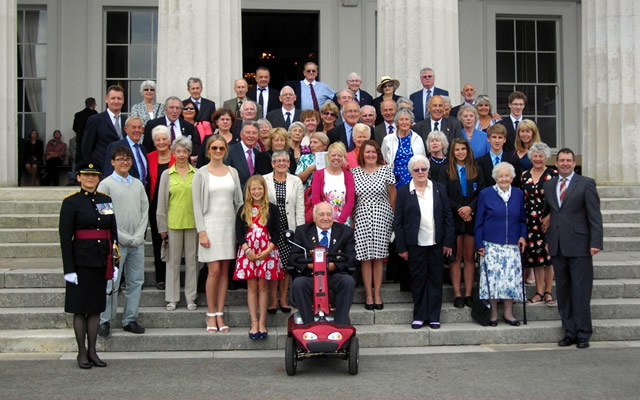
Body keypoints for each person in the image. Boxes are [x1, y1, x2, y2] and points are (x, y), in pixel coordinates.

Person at [59, 160, 118, 369]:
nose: (90, 178)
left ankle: (93, 350)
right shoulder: (71, 202)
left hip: (101, 260)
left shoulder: (105, 200)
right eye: (86, 175)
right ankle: (81, 352)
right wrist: (69, 269)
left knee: (95, 308)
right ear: (79, 178)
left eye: (94, 176)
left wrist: (115, 261)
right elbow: (65, 238)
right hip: (80, 262)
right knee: (79, 309)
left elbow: (113, 233)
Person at [543, 148, 603, 349]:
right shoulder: (549, 185)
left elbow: (594, 215)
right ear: (556, 163)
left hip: (580, 246)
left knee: (581, 291)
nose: (565, 163)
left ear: (574, 163)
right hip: (558, 246)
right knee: (564, 291)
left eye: (569, 160)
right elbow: (548, 214)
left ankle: (583, 333)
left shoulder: (586, 184)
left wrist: (596, 242)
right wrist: (547, 239)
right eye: (561, 160)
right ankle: (569, 331)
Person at [394, 155, 454, 329]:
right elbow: (399, 221)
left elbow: (447, 217)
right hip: (415, 244)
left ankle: (434, 316)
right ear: (411, 172)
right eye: (416, 169)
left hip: (436, 243)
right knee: (418, 280)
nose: (420, 172)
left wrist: (448, 242)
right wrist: (402, 247)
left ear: (428, 170)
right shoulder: (404, 191)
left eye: (423, 169)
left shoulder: (439, 189)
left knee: (435, 280)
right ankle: (419, 315)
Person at [192, 135, 243, 333]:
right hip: (210, 225)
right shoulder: (201, 173)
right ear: (208, 150)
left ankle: (220, 313)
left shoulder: (233, 172)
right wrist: (201, 232)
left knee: (223, 272)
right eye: (214, 148)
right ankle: (210, 314)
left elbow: (238, 202)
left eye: (221, 148)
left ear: (226, 150)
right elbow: (196, 204)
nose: (218, 151)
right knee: (213, 271)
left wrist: (240, 229)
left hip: (228, 226)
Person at [97, 146, 149, 337]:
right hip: (116, 243)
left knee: (136, 281)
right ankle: (105, 320)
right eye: (120, 159)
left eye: (127, 159)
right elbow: (104, 214)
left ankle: (130, 319)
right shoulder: (105, 185)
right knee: (112, 283)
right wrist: (123, 236)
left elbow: (145, 210)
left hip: (137, 242)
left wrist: (139, 235)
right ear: (112, 162)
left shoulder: (137, 184)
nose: (124, 162)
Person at [475, 162, 527, 327]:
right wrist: (479, 243)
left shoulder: (518, 194)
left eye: (507, 176)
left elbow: (523, 220)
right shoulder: (486, 194)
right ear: (495, 178)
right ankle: (493, 314)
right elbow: (479, 221)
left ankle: (509, 313)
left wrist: (522, 237)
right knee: (494, 280)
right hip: (491, 245)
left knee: (509, 281)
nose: (504, 179)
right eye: (500, 176)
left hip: (512, 245)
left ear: (512, 178)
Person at [290, 202, 356, 326]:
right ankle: (309, 325)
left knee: (348, 282)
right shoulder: (302, 231)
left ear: (333, 216)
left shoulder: (345, 232)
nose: (325, 218)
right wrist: (310, 265)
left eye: (329, 214)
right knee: (299, 284)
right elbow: (294, 257)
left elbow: (352, 257)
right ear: (314, 217)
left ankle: (340, 325)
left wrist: (334, 266)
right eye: (321, 214)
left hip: (334, 275)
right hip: (310, 275)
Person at [234, 175, 283, 339]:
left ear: (264, 190)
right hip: (249, 253)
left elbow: (277, 232)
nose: (256, 192)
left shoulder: (272, 209)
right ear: (248, 191)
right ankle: (253, 321)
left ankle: (262, 322)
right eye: (253, 189)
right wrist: (247, 250)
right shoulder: (243, 209)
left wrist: (268, 250)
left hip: (266, 252)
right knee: (252, 288)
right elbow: (239, 233)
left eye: (259, 188)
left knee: (263, 287)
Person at [351, 140, 396, 310]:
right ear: (361, 154)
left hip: (382, 216)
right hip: (361, 216)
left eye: (373, 152)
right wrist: (353, 220)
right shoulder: (354, 172)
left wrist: (391, 217)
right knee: (364, 257)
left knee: (378, 257)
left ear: (378, 154)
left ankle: (377, 293)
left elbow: (393, 195)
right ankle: (368, 295)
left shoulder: (386, 170)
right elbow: (352, 199)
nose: (370, 155)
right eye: (367, 152)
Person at [156, 137, 198, 311]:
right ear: (173, 153)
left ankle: (190, 297)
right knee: (172, 262)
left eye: (185, 151)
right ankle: (172, 298)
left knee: (192, 262)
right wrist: (162, 227)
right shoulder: (167, 174)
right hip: (173, 223)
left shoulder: (197, 173)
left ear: (189, 154)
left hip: (193, 224)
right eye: (178, 151)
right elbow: (161, 202)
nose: (181, 155)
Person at [445, 138, 485, 308]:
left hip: (471, 217)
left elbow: (482, 192)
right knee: (456, 257)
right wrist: (460, 209)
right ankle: (457, 294)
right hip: (454, 218)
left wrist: (470, 208)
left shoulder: (476, 169)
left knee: (469, 257)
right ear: (452, 152)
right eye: (457, 149)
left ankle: (468, 293)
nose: (460, 152)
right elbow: (443, 194)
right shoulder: (446, 170)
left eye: (463, 149)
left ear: (468, 151)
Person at [264, 150, 305, 314]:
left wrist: (300, 231)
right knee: (273, 264)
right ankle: (272, 300)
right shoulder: (265, 180)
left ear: (289, 163)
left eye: (284, 161)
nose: (281, 163)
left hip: (290, 228)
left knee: (287, 266)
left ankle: (283, 299)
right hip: (271, 228)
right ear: (272, 163)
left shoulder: (296, 181)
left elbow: (299, 207)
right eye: (277, 160)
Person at [521, 142, 557, 306]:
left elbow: (558, 200)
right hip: (530, 221)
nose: (537, 159)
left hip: (547, 221)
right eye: (535, 156)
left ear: (545, 157)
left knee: (548, 258)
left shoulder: (553, 175)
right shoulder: (524, 175)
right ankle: (538, 291)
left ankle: (548, 292)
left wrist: (549, 217)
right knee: (536, 257)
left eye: (540, 156)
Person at [147, 125, 176, 291]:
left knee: (173, 241)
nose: (161, 142)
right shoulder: (148, 157)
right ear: (154, 142)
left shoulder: (176, 157)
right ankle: (161, 277)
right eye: (158, 139)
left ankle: (172, 276)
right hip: (154, 205)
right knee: (158, 240)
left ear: (169, 140)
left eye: (164, 139)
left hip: (173, 204)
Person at [81, 85, 126, 168]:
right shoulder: (95, 120)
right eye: (113, 98)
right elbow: (87, 147)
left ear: (123, 100)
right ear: (106, 99)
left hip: (123, 168)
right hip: (102, 167)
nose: (116, 101)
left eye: (119, 98)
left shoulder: (126, 121)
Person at [312, 142, 355, 225]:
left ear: (344, 158)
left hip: (343, 221)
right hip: (323, 220)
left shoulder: (348, 175)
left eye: (340, 155)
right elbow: (315, 200)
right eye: (333, 155)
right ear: (328, 157)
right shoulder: (319, 174)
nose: (336, 158)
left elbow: (350, 201)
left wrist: (340, 220)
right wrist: (327, 218)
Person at [381, 108, 426, 188]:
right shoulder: (388, 139)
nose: (404, 122)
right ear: (397, 122)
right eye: (401, 119)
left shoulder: (417, 139)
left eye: (407, 119)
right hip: (394, 179)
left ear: (411, 122)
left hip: (414, 179)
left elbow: (423, 160)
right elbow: (383, 159)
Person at [102, 116, 148, 185]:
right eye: (133, 127)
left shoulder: (143, 149)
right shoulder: (115, 147)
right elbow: (109, 172)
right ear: (126, 129)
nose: (137, 130)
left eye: (139, 127)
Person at [476, 124, 521, 189]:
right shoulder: (480, 162)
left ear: (504, 140)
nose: (497, 141)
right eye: (494, 137)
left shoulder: (513, 160)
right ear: (488, 139)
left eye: (500, 137)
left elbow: (516, 182)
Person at [224, 120, 262, 192]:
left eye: (254, 133)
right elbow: (227, 176)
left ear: (258, 136)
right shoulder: (230, 151)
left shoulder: (258, 154)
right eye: (248, 133)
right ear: (241, 134)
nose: (251, 136)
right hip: (236, 195)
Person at [181, 99, 212, 164]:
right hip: (182, 158)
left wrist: (199, 157)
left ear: (196, 111)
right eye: (185, 108)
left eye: (192, 108)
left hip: (202, 159)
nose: (189, 110)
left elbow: (209, 142)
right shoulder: (178, 126)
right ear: (181, 111)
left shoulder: (205, 125)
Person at [73, 97, 97, 164]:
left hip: (80, 139)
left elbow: (74, 127)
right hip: (91, 140)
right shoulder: (94, 114)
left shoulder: (78, 115)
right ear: (93, 105)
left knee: (80, 160)